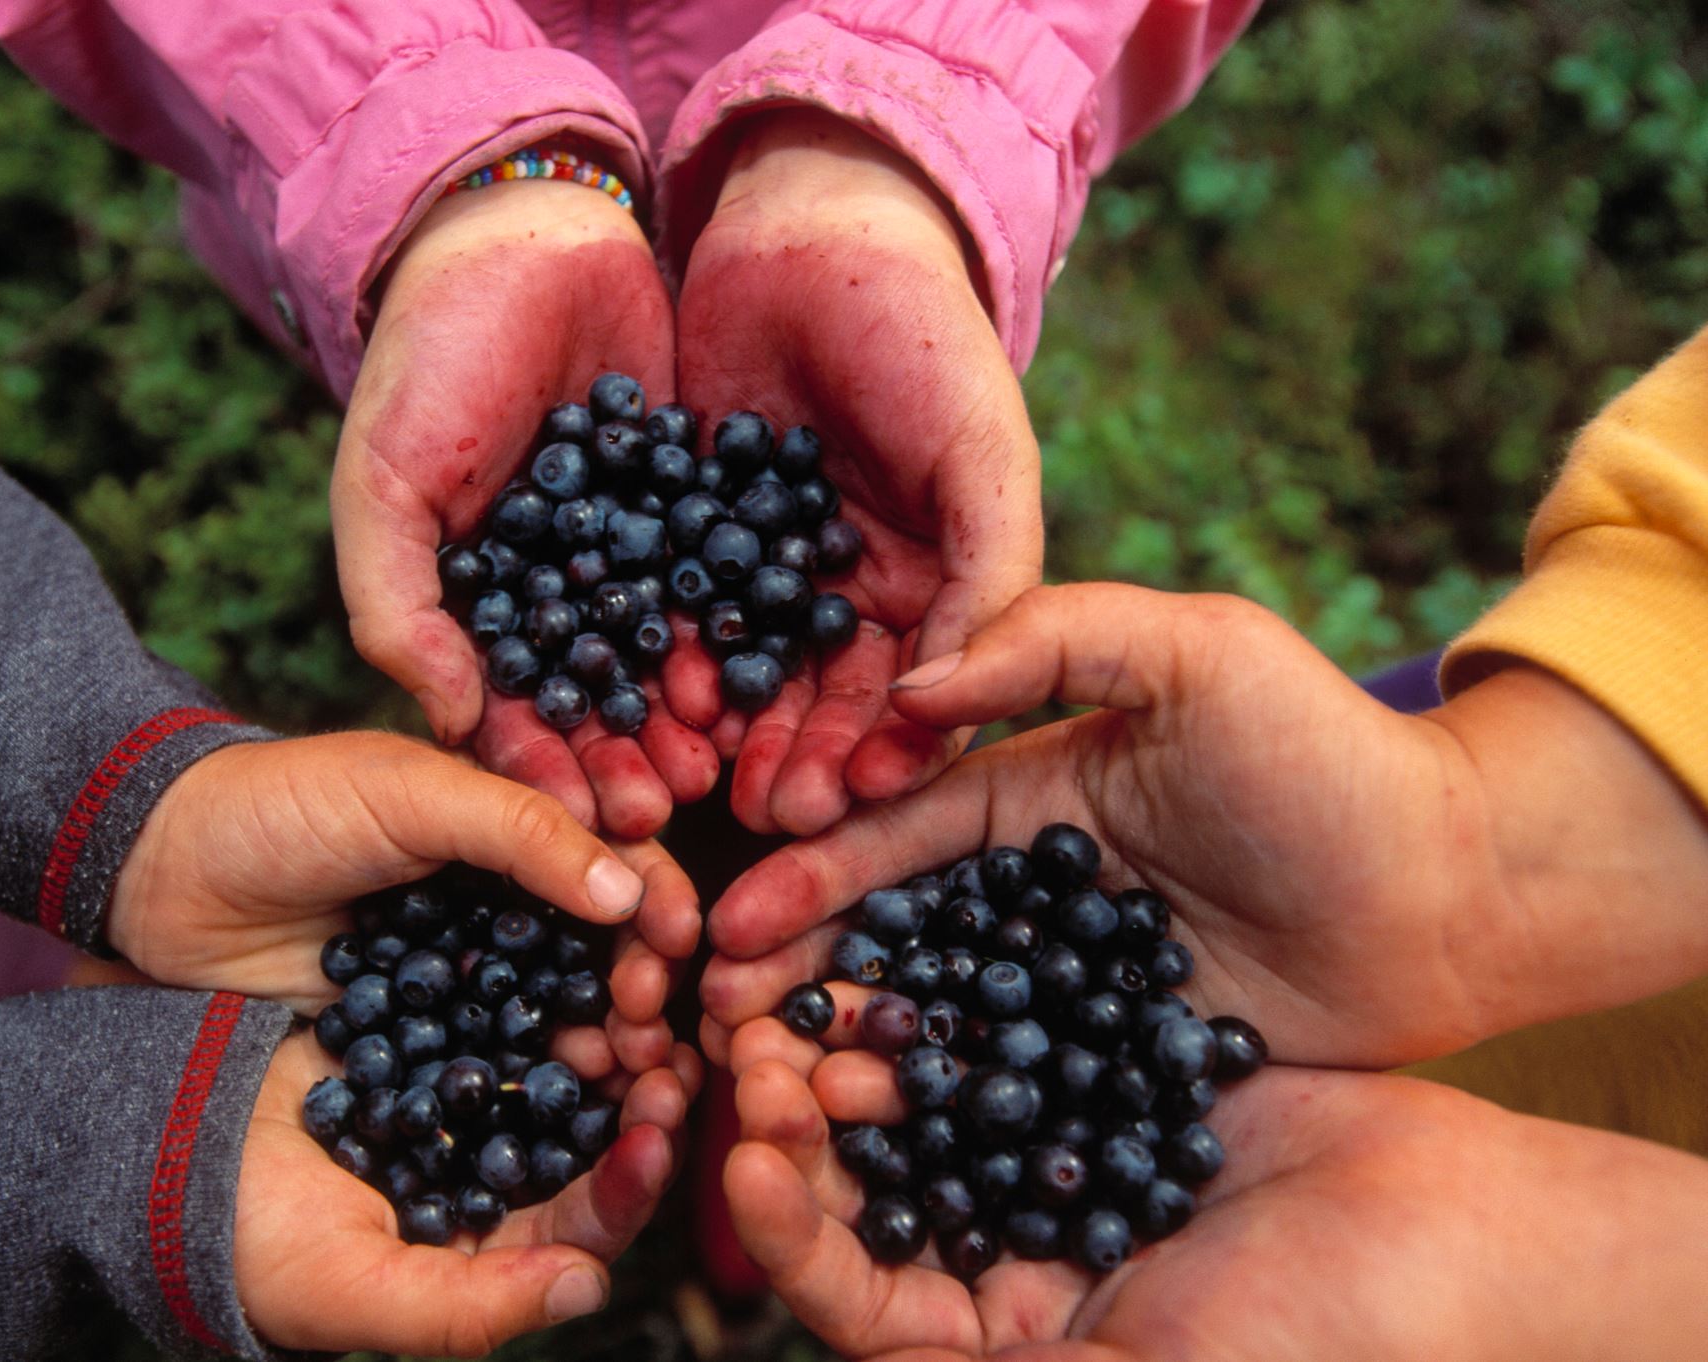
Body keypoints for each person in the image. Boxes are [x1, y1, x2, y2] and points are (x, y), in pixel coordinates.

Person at [0, 246, 701, 1358]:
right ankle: (74, 1011)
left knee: (72, 950)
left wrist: (126, 814)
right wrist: (63, 1164)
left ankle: (71, 962)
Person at [0, 0, 1264, 840]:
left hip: (875, 171)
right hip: (384, 206)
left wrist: (890, 133)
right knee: (463, 464)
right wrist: (430, 157)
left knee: (731, 744)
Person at [699, 324, 1708, 1354]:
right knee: (807, 1063)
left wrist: (1524, 1296)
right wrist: (1468, 833)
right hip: (1516, 837)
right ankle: (726, 1272)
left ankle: (728, 1286)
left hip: (1397, 1189)